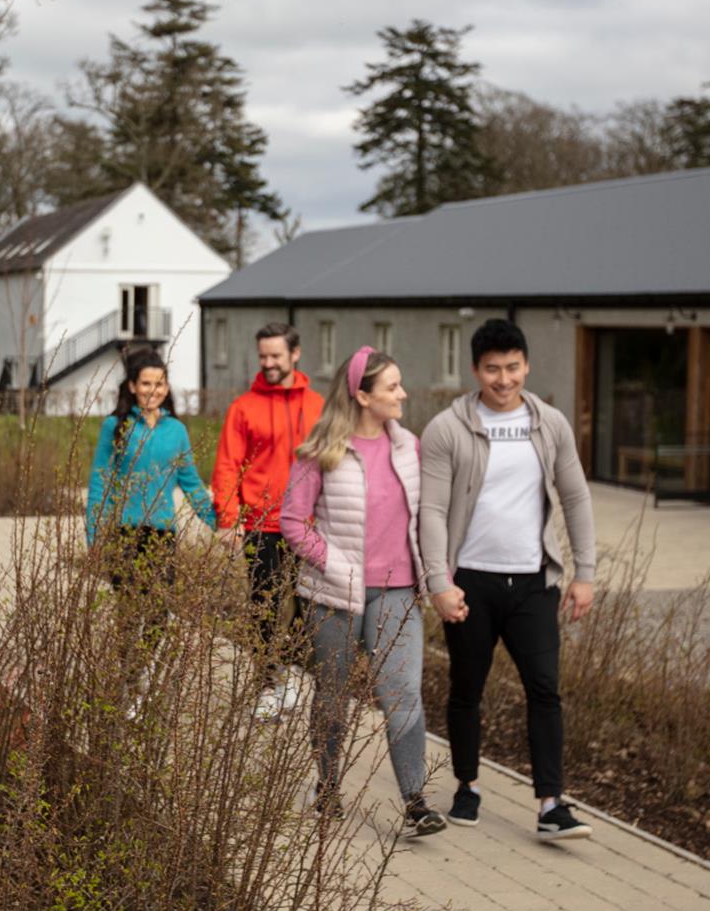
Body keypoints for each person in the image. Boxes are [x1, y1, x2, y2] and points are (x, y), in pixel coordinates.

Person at [418, 318, 597, 842]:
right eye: (492, 369)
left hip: (533, 583)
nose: (503, 379)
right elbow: (430, 509)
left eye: (512, 367)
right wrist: (438, 582)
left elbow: (576, 496)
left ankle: (550, 805)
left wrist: (585, 573)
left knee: (545, 689)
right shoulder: (446, 429)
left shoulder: (550, 424)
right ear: (475, 370)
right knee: (466, 688)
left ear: (527, 366)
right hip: (470, 581)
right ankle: (467, 785)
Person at [281, 346, 446, 836]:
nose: (403, 394)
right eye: (392, 387)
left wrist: (436, 574)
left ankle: (415, 800)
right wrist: (339, 566)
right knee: (332, 696)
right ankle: (327, 787)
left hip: (397, 591)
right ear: (361, 395)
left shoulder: (409, 448)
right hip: (334, 595)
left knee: (403, 694)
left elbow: (427, 517)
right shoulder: (321, 450)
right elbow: (292, 522)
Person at [212, 322, 324, 720]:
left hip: (310, 525)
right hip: (262, 523)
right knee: (264, 605)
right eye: (263, 356)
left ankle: (292, 677)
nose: (269, 363)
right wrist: (228, 519)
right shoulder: (243, 408)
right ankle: (266, 686)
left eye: (276, 356)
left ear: (295, 354)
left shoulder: (318, 406)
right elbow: (227, 466)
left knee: (309, 606)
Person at [86, 349, 217, 589]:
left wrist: (219, 522)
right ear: (133, 386)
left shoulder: (177, 430)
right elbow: (99, 483)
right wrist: (93, 536)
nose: (152, 390)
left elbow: (191, 483)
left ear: (166, 388)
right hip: (123, 534)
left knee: (158, 618)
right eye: (146, 383)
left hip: (162, 535)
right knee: (128, 615)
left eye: (159, 384)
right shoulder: (114, 426)